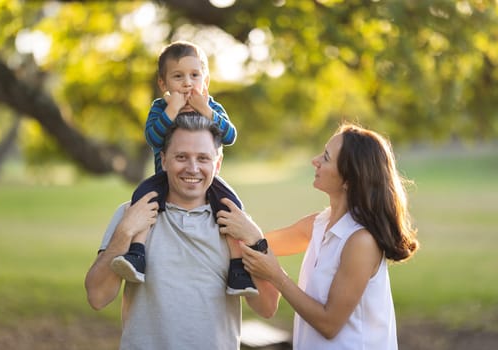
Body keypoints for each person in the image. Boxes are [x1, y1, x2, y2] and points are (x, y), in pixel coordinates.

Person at [217, 122, 419, 350]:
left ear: (349, 179)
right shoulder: (319, 224)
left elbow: (329, 323)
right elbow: (258, 243)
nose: (315, 160)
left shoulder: (361, 241)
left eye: (326, 157)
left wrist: (276, 275)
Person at [84, 114, 279, 350]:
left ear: (217, 164)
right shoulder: (133, 214)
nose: (192, 168)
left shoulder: (236, 224)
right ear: (164, 160)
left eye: (203, 158)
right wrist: (124, 232)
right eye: (181, 157)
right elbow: (97, 297)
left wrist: (256, 238)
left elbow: (267, 308)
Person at [110, 40, 257, 296]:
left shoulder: (212, 107)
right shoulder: (160, 109)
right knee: (141, 200)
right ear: (163, 84)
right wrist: (172, 110)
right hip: (164, 180)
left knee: (232, 207)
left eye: (194, 75)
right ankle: (137, 254)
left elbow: (231, 135)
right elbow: (153, 138)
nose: (188, 83)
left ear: (206, 81)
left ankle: (238, 269)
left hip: (204, 183)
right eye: (178, 77)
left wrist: (207, 112)